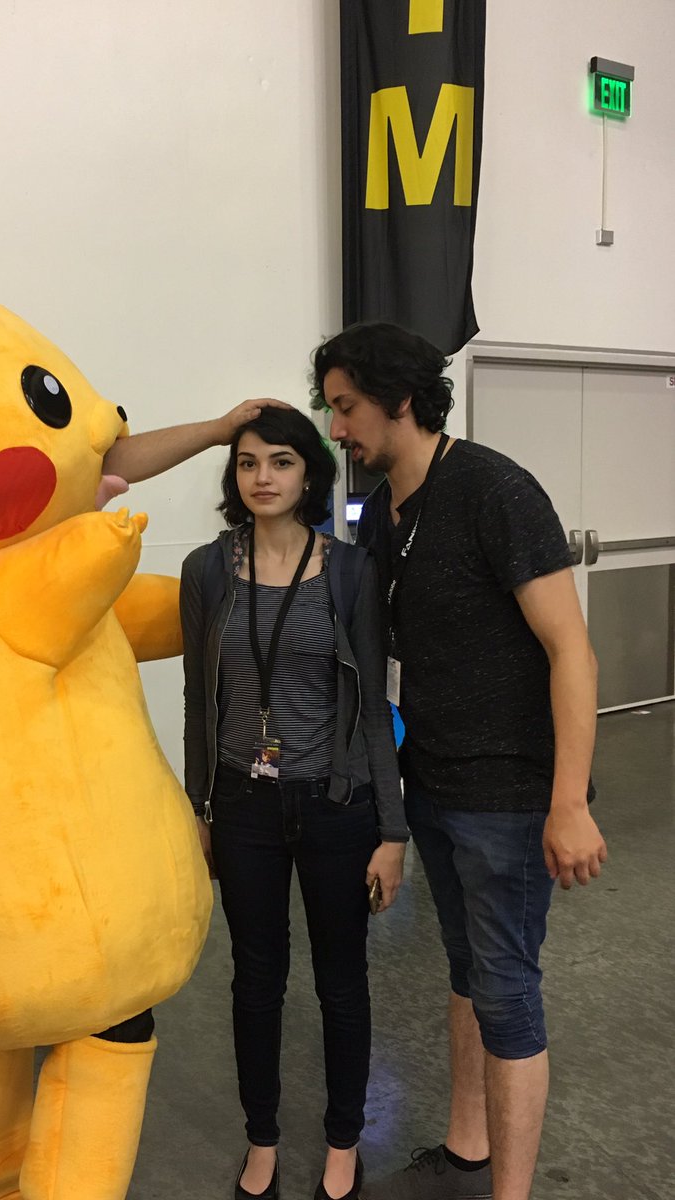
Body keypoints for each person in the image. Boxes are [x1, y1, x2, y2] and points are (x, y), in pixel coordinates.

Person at [308, 322, 607, 1200]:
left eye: (347, 407)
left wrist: (568, 802)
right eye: (331, 410)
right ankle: (467, 1148)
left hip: (509, 794)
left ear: (402, 399)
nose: (337, 429)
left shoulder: (493, 490)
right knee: (467, 974)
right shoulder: (381, 514)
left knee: (506, 988)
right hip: (434, 785)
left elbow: (572, 650)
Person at [179, 408, 408, 1200]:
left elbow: (374, 707)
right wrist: (198, 807)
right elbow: (198, 699)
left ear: (309, 473)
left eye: (280, 461)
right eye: (248, 463)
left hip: (337, 805)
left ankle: (344, 1143)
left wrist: (393, 830)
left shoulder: (349, 571)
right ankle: (263, 1140)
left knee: (342, 982)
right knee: (255, 979)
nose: (263, 477)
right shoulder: (207, 571)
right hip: (243, 806)